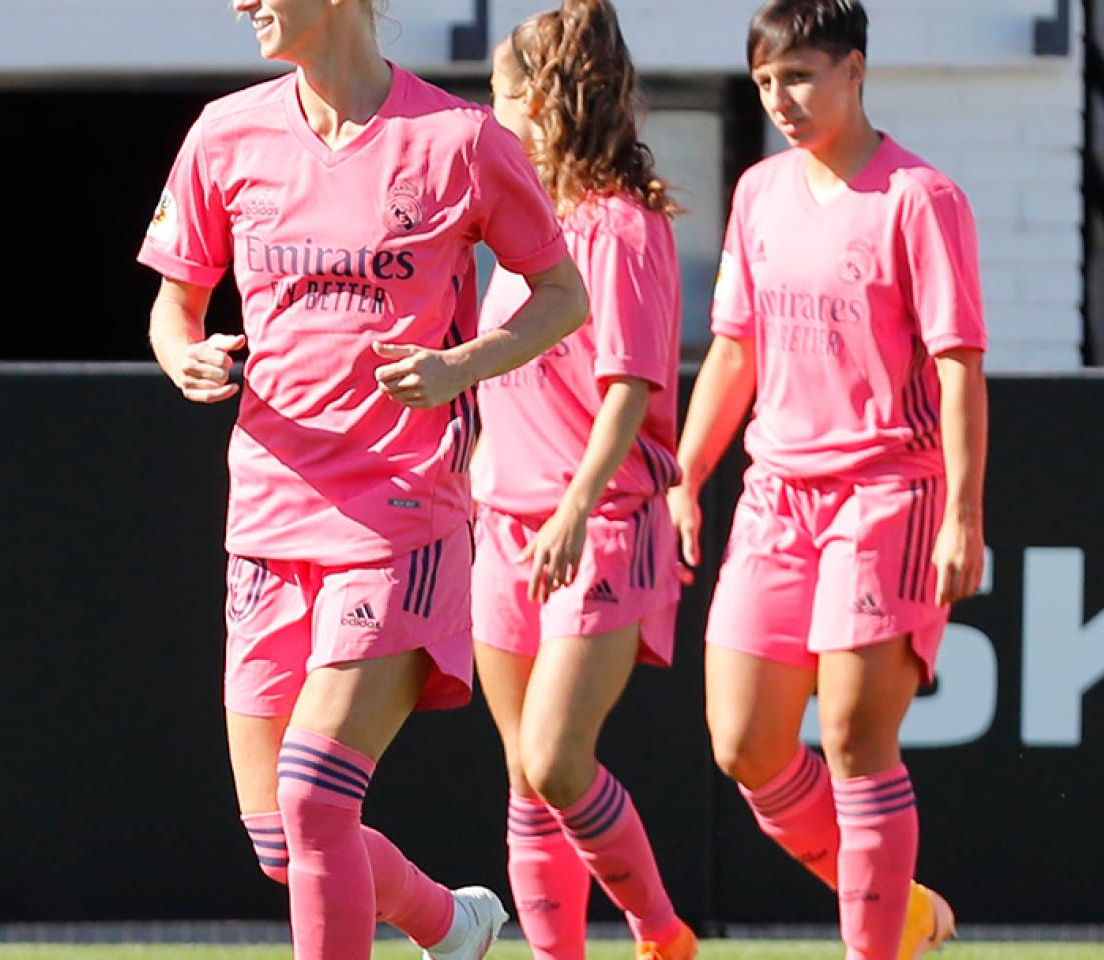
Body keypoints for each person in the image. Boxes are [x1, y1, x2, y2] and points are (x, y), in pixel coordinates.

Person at [138, 0, 589, 956]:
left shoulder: (461, 141)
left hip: (400, 517)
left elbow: (563, 297)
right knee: (280, 840)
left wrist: (460, 364)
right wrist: (184, 357)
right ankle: (452, 921)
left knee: (312, 798)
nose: (243, 2)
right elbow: (173, 307)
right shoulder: (225, 134)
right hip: (265, 521)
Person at [666, 2, 986, 957]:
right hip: (775, 496)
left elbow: (961, 364)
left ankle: (871, 943)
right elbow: (734, 350)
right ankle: (908, 912)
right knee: (745, 744)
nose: (782, 100)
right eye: (766, 83)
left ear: (854, 70)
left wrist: (963, 514)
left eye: (800, 75)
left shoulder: (920, 198)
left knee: (853, 737)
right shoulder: (760, 192)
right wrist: (686, 476)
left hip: (890, 489)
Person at [468, 3, 692, 959]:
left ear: (543, 99)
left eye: (498, 94)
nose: (488, 114)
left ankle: (659, 934)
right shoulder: (525, 226)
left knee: (559, 762)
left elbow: (630, 392)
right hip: (501, 523)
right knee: (525, 775)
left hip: (595, 525)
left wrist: (570, 510)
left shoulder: (622, 227)